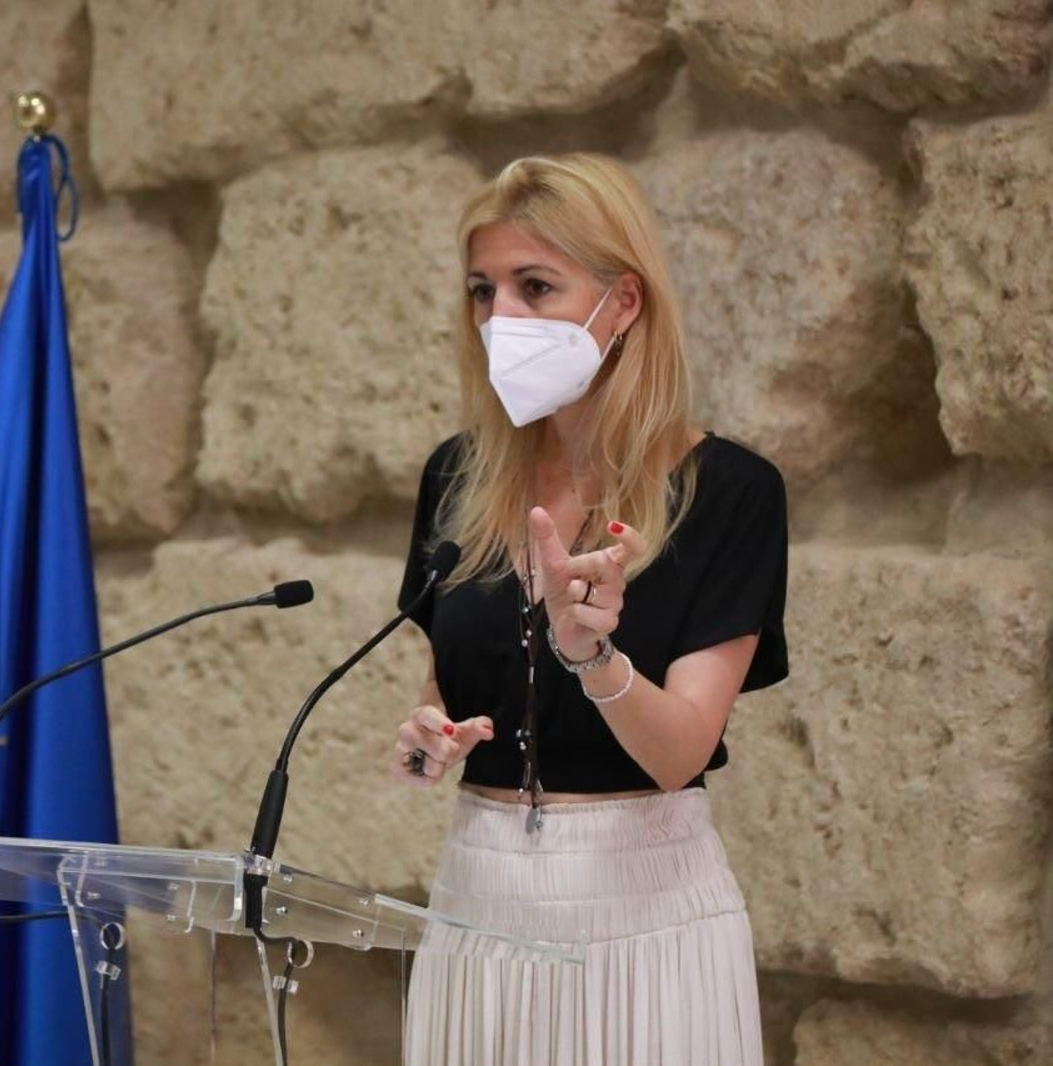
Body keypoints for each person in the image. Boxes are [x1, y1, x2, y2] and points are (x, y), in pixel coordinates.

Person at [391, 152, 789, 1064]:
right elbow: (446, 693)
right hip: (476, 896)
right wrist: (430, 738)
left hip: (644, 903)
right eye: (483, 292)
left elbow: (680, 750)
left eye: (536, 286)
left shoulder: (728, 491)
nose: (503, 319)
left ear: (625, 303)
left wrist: (595, 661)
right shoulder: (458, 478)